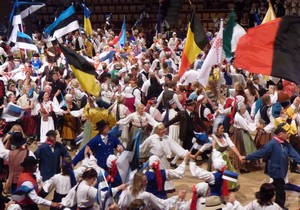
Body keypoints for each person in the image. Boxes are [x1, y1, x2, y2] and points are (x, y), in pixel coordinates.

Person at [241, 126, 300, 210]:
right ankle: (280, 206)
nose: (287, 135)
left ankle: (262, 193)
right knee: (280, 190)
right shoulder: (271, 144)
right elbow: (260, 153)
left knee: (275, 185)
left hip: (282, 170)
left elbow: (294, 154)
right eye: (286, 134)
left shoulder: (286, 144)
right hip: (275, 170)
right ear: (280, 135)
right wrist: (247, 157)